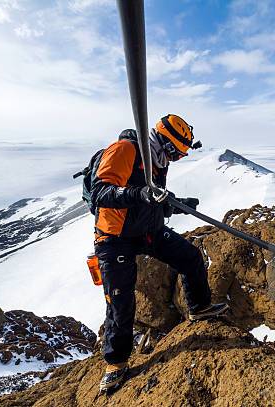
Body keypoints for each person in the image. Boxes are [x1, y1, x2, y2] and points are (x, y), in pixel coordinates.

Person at [92, 114, 229, 393]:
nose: (177, 159)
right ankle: (115, 364)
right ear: (165, 142)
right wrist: (140, 193)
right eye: (177, 153)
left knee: (190, 257)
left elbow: (152, 201)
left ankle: (199, 307)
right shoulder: (126, 149)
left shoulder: (157, 160)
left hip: (147, 231)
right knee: (120, 302)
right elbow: (101, 193)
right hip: (114, 238)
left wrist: (175, 205)